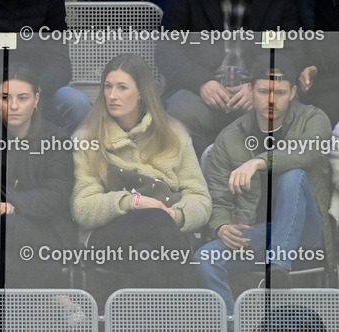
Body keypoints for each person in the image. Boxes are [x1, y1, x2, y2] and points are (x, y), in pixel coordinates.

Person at [195, 55, 332, 313]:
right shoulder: (230, 137)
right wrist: (221, 225)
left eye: (279, 92)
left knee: (293, 176)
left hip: (307, 234)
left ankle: (278, 267)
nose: (271, 100)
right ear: (250, 90)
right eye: (263, 91)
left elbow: (306, 152)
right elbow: (218, 196)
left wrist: (258, 162)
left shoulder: (314, 119)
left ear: (293, 92)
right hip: (258, 236)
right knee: (205, 258)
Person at [71, 54, 211, 295]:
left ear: (141, 93)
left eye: (122, 87)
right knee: (154, 220)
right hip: (108, 238)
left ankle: (157, 330)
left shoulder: (174, 134)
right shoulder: (87, 139)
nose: (112, 95)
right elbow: (83, 208)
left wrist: (176, 215)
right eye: (108, 86)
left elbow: (200, 198)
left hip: (163, 234)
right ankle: (195, 314)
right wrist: (133, 202)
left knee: (147, 259)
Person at [0, 63, 73, 290]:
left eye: (23, 98)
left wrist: (11, 205)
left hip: (44, 229)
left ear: (37, 99)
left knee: (9, 256)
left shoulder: (55, 139)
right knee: (10, 230)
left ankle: (2, 320)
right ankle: (58, 299)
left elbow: (58, 192)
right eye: (5, 98)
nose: (13, 106)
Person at [157, 0, 303, 153]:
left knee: (285, 110)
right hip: (200, 87)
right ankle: (196, 175)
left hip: (257, 86)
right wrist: (202, 82)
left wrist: (261, 86)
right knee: (182, 110)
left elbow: (292, 53)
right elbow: (166, 50)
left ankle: (261, 173)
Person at [0, 0, 90, 134]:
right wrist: (0, 91)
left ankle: (66, 158)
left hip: (37, 91)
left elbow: (59, 63)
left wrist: (30, 91)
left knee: (77, 102)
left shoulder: (51, 1)